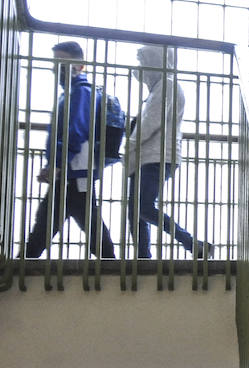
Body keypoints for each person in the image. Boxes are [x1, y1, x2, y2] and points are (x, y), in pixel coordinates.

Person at [24, 41, 116, 260]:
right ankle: (111, 266)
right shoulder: (72, 93)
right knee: (54, 221)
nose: (58, 68)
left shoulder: (81, 93)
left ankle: (22, 266)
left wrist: (56, 163)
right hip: (72, 170)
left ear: (80, 65)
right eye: (56, 64)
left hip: (74, 170)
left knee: (53, 222)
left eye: (63, 63)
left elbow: (76, 131)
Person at [125, 45, 212, 259]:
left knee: (142, 207)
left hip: (156, 155)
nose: (141, 69)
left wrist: (130, 144)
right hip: (149, 155)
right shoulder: (161, 87)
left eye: (144, 62)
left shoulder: (167, 85)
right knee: (136, 210)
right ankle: (143, 257)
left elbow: (152, 121)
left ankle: (192, 243)